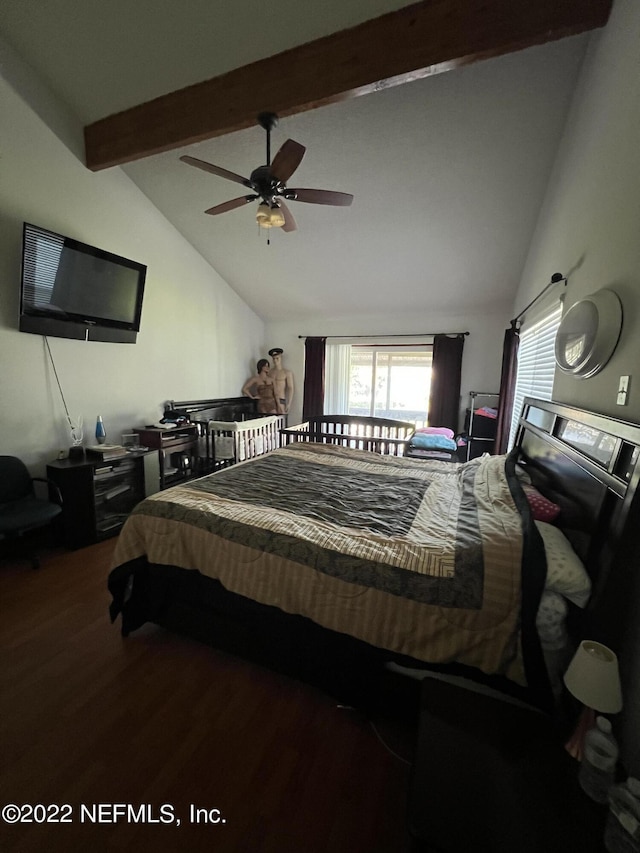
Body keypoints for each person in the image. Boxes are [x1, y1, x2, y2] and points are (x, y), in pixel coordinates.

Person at [268, 348, 294, 414]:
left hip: (281, 398)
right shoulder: (270, 372)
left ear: (281, 358)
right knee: (271, 420)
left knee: (281, 419)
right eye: (274, 359)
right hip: (271, 399)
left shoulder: (287, 372)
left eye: (277, 358)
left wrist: (289, 403)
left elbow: (290, 388)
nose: (275, 361)